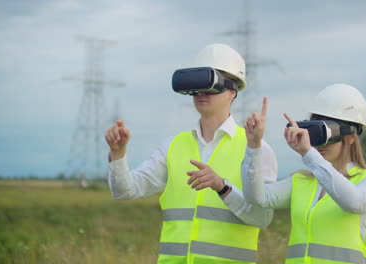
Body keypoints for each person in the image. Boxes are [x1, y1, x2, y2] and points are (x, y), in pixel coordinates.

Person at [105, 43, 277, 264]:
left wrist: (223, 187)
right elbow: (124, 191)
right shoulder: (173, 146)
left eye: (211, 84)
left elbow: (262, 218)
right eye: (196, 85)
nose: (201, 93)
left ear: (232, 92)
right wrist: (118, 155)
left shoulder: (256, 149)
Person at [242, 84, 366, 264]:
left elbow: (355, 203)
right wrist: (254, 146)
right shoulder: (302, 182)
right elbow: (256, 197)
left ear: (352, 136)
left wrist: (309, 154)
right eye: (315, 133)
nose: (321, 143)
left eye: (328, 133)